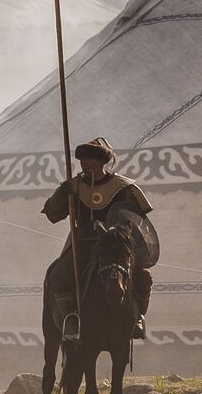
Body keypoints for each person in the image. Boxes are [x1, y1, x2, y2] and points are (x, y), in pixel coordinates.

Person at [41, 138, 155, 339]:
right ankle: (71, 319)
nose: (85, 164)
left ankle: (137, 318)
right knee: (61, 274)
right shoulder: (73, 186)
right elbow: (52, 214)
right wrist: (62, 194)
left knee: (143, 277)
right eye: (82, 160)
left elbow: (138, 219)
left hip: (115, 244)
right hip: (82, 243)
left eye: (90, 159)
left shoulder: (124, 187)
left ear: (101, 162)